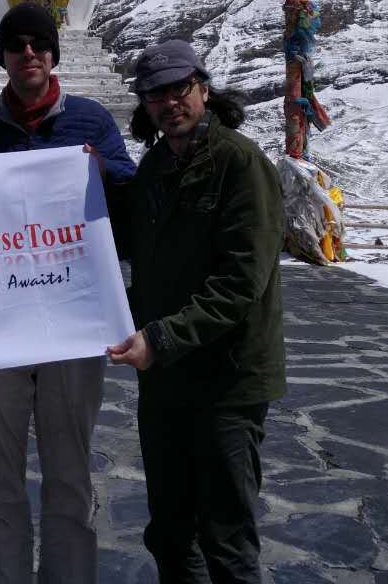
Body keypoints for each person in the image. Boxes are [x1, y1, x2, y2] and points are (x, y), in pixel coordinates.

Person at [0, 2, 135, 584]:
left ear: (54, 52)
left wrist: (99, 170)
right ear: (1, 54)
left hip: (69, 323)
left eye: (38, 43)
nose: (28, 53)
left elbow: (128, 197)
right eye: (16, 43)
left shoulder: (91, 121)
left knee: (70, 475)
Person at [107, 39, 286, 584]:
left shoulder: (240, 162)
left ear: (203, 90)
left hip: (227, 381)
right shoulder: (156, 165)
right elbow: (140, 255)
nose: (168, 103)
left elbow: (240, 282)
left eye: (178, 89)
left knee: (226, 536)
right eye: (154, 95)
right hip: (166, 382)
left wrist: (158, 338)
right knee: (169, 531)